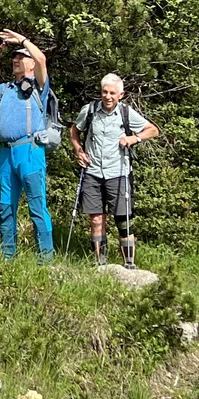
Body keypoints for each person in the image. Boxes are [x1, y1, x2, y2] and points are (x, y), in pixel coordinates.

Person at [0, 30, 54, 260]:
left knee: (37, 207)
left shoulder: (39, 86)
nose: (16, 60)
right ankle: (8, 255)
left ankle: (45, 259)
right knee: (5, 207)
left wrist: (22, 41)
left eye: (21, 57)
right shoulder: (6, 88)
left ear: (30, 63)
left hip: (30, 151)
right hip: (6, 154)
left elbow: (41, 59)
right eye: (14, 57)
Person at [69, 74, 158, 268]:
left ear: (121, 95)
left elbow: (152, 130)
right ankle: (100, 263)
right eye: (105, 92)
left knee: (123, 220)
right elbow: (74, 131)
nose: (108, 96)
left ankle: (129, 264)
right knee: (96, 219)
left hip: (118, 172)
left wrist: (134, 139)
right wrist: (79, 151)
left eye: (112, 93)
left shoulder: (126, 113)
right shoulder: (90, 110)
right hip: (92, 171)